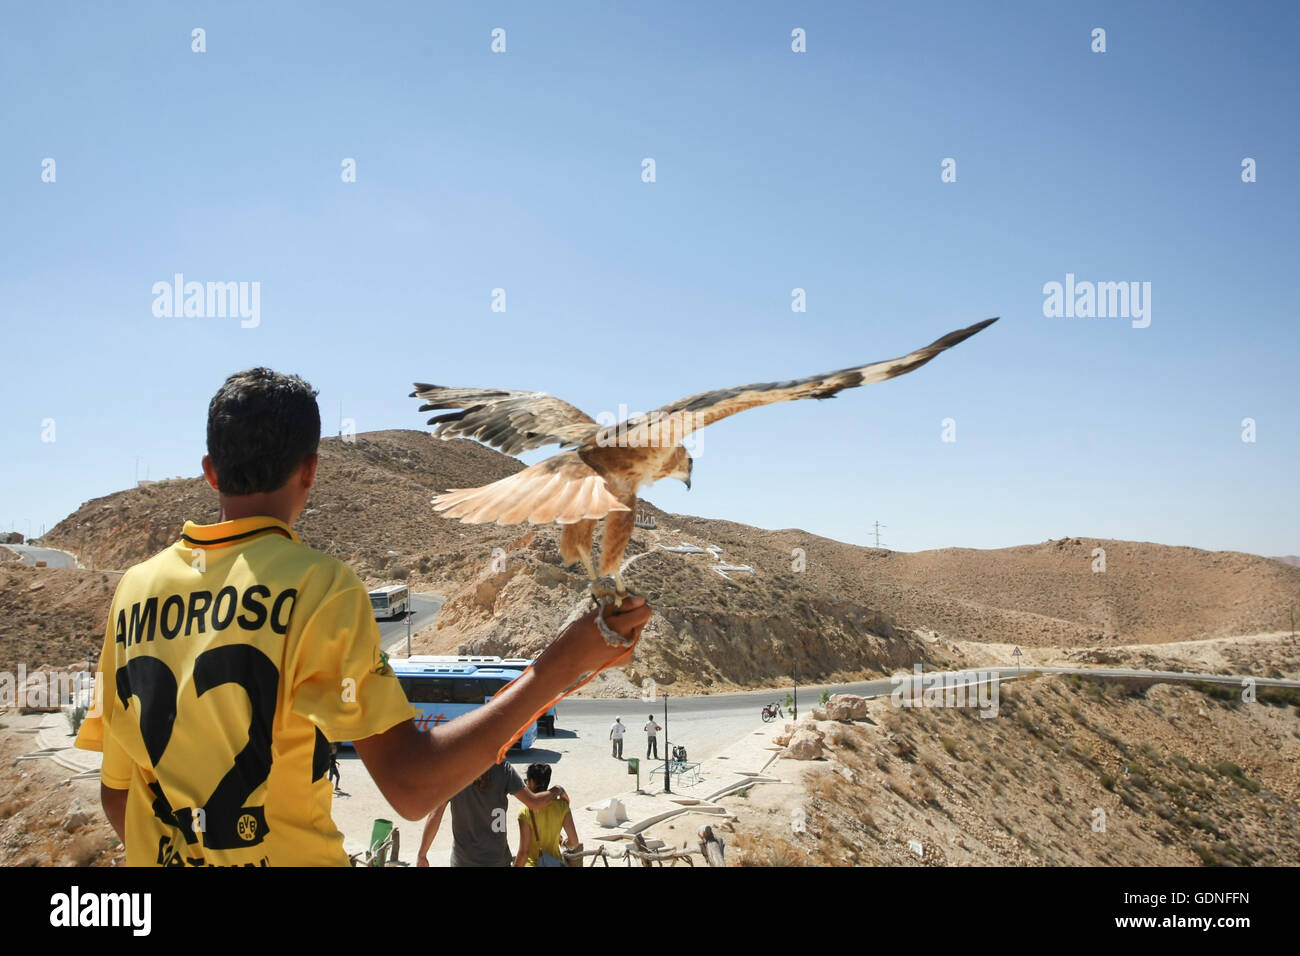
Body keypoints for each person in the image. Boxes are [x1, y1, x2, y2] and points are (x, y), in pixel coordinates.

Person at [75, 367, 653, 866]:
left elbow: (117, 795)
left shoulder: (134, 591)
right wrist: (556, 668)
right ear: (310, 471)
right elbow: (411, 786)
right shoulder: (319, 589)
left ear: (210, 471)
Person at [416, 762, 567, 867]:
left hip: (463, 861)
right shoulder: (503, 769)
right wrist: (557, 790)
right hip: (497, 860)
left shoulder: (452, 773)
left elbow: (434, 815)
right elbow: (534, 803)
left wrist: (422, 854)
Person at [514, 763, 578, 867]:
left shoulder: (525, 812)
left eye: (527, 781)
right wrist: (565, 843)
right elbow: (574, 842)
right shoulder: (562, 807)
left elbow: (523, 853)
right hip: (555, 863)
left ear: (532, 782)